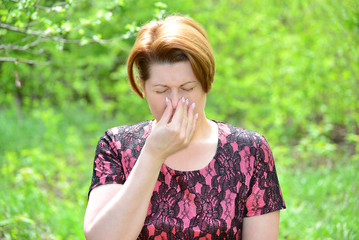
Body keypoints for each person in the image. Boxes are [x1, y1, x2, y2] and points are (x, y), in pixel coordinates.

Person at [84, 15, 286, 240]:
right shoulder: (117, 146)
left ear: (206, 82)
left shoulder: (250, 151)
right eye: (161, 90)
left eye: (187, 88)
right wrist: (153, 154)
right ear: (143, 87)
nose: (176, 102)